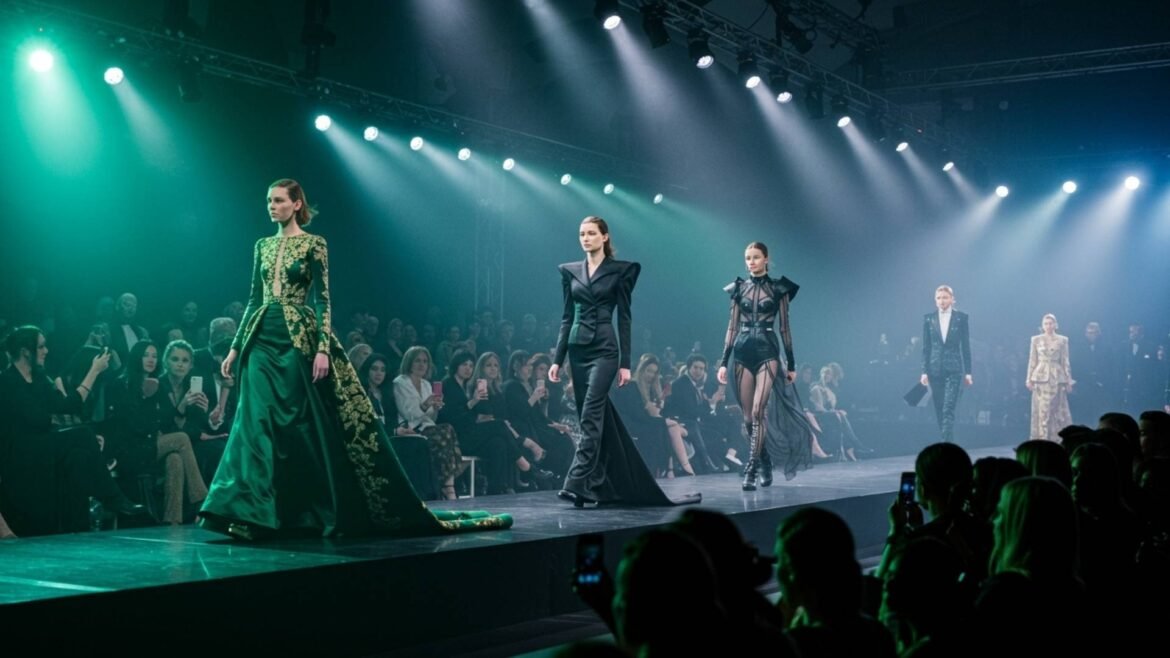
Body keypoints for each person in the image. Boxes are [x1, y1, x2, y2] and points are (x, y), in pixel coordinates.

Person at [198, 179, 511, 539]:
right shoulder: (262, 245)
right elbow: (254, 299)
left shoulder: (315, 243)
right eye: (269, 200)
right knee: (253, 423)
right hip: (261, 338)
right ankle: (248, 513)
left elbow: (323, 300)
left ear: (297, 204)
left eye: (279, 200)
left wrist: (321, 348)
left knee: (293, 425)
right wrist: (236, 347)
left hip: (296, 339)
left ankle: (292, 511)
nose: (272, 206)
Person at [547, 216, 699, 507]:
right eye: (582, 234)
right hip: (577, 351)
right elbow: (567, 317)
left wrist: (626, 363)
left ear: (604, 237)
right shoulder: (570, 271)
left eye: (591, 233)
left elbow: (625, 318)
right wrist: (558, 359)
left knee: (591, 413)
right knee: (595, 418)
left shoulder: (621, 271)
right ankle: (599, 485)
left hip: (605, 351)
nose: (585, 238)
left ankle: (576, 480)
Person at [716, 241, 814, 490]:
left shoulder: (779, 288)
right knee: (748, 417)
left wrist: (791, 363)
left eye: (756, 257)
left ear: (766, 259)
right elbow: (731, 327)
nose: (751, 262)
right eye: (748, 258)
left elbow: (785, 328)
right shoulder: (738, 288)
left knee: (760, 411)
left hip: (768, 351)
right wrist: (723, 362)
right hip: (742, 351)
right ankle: (765, 460)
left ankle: (751, 467)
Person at [921, 285, 972, 443]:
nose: (941, 301)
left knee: (948, 408)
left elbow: (965, 346)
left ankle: (946, 445)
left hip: (954, 369)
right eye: (938, 298)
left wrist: (968, 372)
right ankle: (946, 440)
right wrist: (924, 371)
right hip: (934, 369)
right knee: (939, 407)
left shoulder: (961, 318)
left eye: (945, 297)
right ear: (935, 300)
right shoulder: (929, 319)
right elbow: (926, 347)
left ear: (952, 299)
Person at [1026, 313, 1073, 441]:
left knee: (1057, 410)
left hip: (1057, 377)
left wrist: (1068, 381)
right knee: (1043, 410)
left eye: (1050, 323)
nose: (1048, 326)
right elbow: (1032, 360)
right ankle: (1042, 438)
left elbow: (1065, 361)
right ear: (1042, 325)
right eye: (1046, 323)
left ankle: (1056, 438)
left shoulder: (1063, 340)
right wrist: (1028, 379)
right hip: (1040, 378)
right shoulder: (1036, 340)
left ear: (1055, 324)